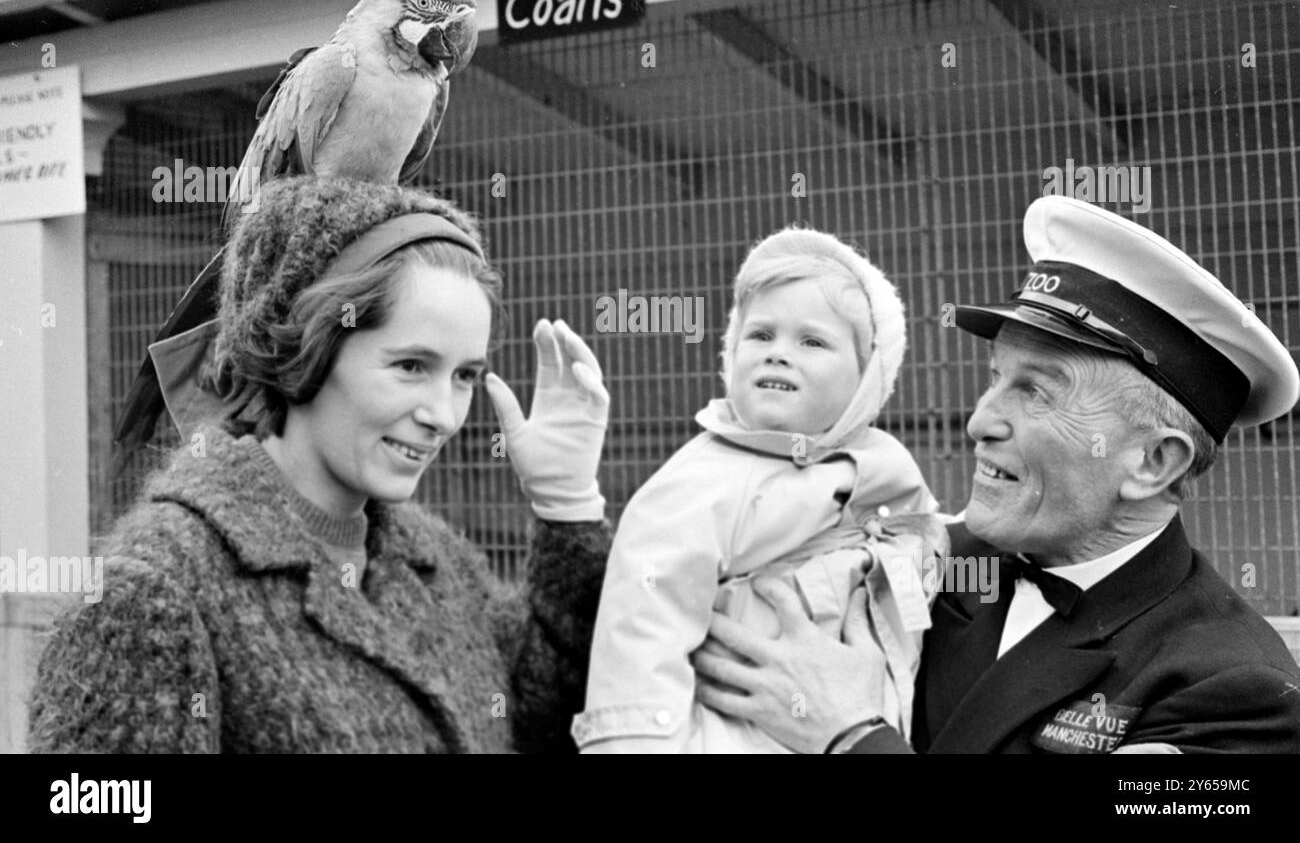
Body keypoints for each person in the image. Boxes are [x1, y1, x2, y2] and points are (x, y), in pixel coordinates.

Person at [692, 195, 1300, 754]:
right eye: (995, 378)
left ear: (1153, 462)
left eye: (1035, 392)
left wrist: (852, 736)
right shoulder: (925, 557)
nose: (979, 421)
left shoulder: (1237, 694)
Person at [28, 176, 612, 754]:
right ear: (310, 345)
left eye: (463, 376)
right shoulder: (154, 593)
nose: (445, 415)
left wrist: (567, 505)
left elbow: (544, 717)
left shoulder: (438, 565)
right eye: (411, 366)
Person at [573, 227, 946, 753]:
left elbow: (927, 545)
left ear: (867, 379)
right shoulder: (703, 479)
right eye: (761, 335)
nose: (779, 354)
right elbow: (642, 620)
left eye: (812, 341)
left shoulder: (889, 470)